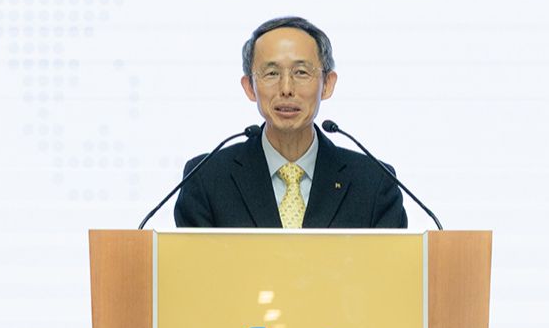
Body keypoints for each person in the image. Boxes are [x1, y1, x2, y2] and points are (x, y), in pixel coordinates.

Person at [174, 16, 407, 228]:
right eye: (272, 73)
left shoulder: (374, 183)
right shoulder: (205, 179)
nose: (286, 89)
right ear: (249, 87)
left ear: (327, 84)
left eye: (301, 72)